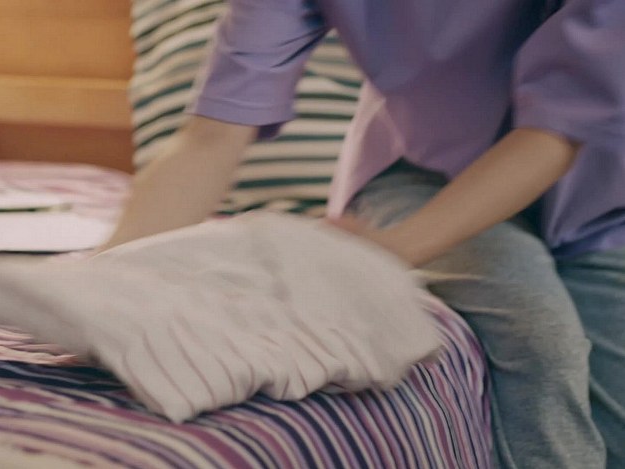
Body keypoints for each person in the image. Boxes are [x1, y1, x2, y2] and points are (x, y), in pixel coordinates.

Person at [100, 1, 625, 467]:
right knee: (537, 332)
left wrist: (388, 252)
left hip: (599, 193)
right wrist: (105, 282)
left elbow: (554, 135)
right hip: (422, 172)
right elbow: (212, 136)